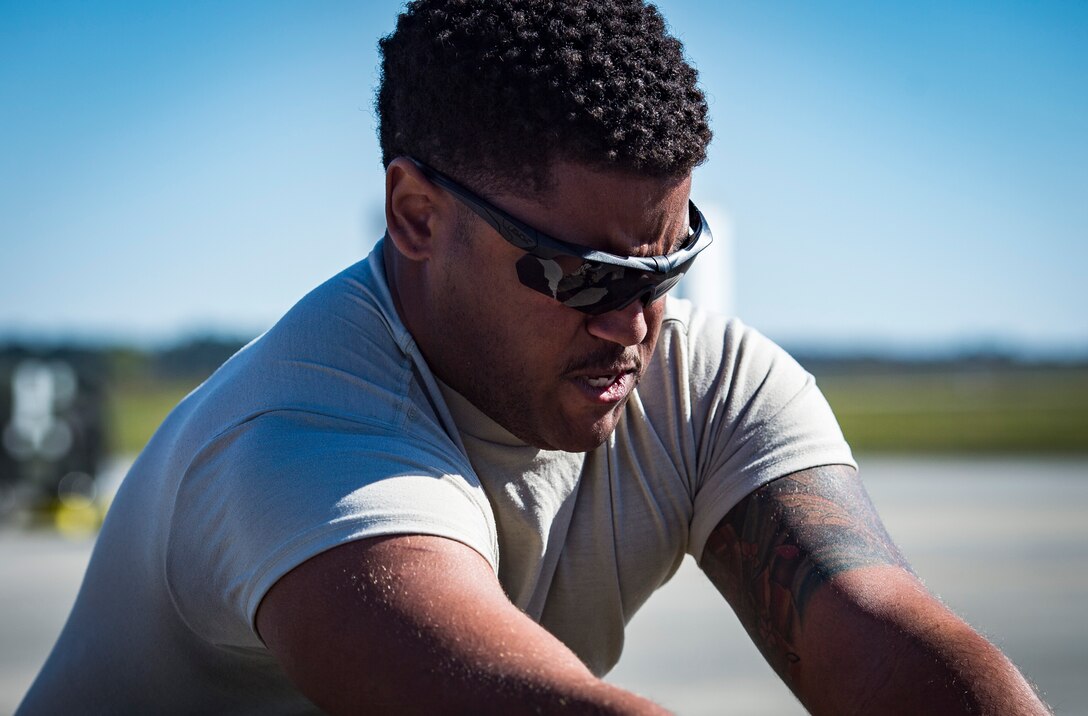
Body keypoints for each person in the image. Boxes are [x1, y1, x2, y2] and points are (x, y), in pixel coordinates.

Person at [19, 1, 1049, 714]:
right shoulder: (300, 437)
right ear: (416, 215)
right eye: (580, 276)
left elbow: (881, 637)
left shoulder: (703, 380)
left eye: (669, 264)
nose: (633, 324)